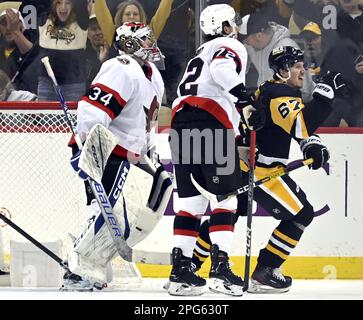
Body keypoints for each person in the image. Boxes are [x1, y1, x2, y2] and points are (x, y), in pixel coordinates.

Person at [185, 46, 347, 293]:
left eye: (302, 64)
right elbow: (301, 125)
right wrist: (325, 96)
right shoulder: (281, 93)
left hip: (244, 165)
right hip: (264, 171)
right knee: (302, 214)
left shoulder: (267, 90)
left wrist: (310, 144)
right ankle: (266, 270)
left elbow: (289, 129)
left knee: (228, 214)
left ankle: (190, 265)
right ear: (282, 70)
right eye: (296, 65)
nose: (302, 70)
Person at [61, 22, 170, 291]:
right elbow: (93, 109)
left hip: (131, 155)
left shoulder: (152, 73)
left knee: (160, 187)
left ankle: (94, 259)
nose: (151, 43)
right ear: (129, 44)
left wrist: (149, 151)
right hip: (107, 151)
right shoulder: (121, 67)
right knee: (111, 213)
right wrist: (89, 148)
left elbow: (147, 121)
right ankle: (80, 269)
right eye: (144, 39)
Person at [168, 4, 253, 297]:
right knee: (225, 201)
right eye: (235, 22)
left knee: (190, 205)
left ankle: (180, 272)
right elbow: (222, 70)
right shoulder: (229, 45)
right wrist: (245, 99)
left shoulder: (200, 52)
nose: (237, 27)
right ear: (227, 26)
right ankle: (220, 270)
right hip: (210, 123)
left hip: (181, 125)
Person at [239, 12, 315, 101]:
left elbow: (306, 91)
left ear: (259, 36)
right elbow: (241, 60)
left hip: (291, 105)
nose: (246, 44)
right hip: (266, 101)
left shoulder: (287, 49)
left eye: (246, 40)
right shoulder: (253, 46)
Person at [37, 0, 90, 101]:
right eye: (59, 3)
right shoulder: (45, 20)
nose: (63, 7)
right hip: (47, 84)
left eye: (68, 3)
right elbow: (41, 4)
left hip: (74, 84)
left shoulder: (81, 22)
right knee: (46, 116)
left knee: (72, 117)